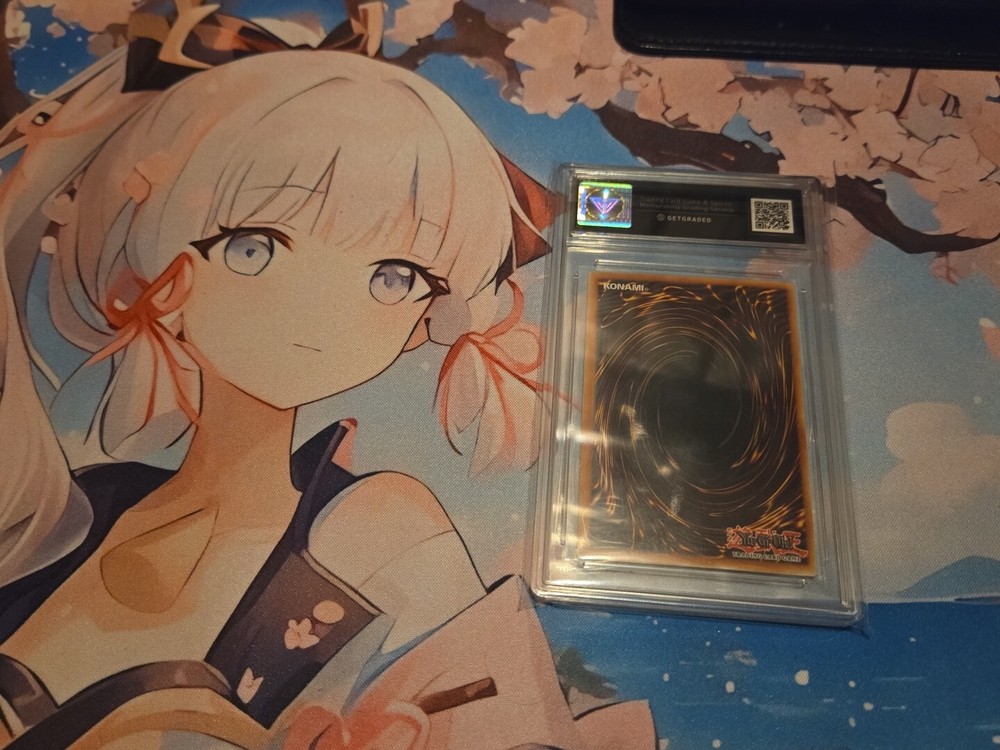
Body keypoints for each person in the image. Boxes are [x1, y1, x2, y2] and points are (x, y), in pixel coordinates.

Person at [0, 7, 654, 749]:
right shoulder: (60, 517)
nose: (315, 310)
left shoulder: (376, 537)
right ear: (151, 280)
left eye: (393, 276)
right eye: (252, 247)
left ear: (425, 317)